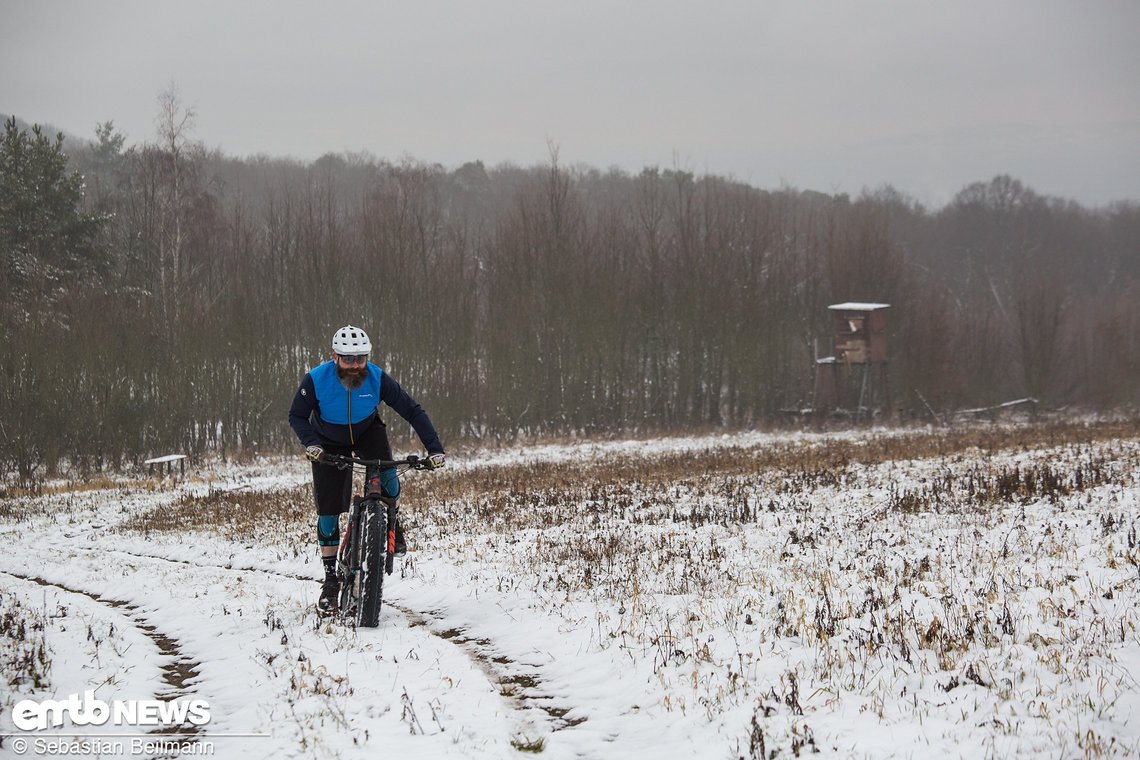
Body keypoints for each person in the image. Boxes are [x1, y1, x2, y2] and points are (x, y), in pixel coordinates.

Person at [289, 325, 446, 613]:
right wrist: (312, 444)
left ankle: (392, 524)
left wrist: (434, 447)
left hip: (366, 432)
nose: (354, 365)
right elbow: (297, 415)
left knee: (389, 478)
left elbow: (411, 409)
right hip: (326, 439)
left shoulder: (376, 377)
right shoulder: (314, 379)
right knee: (328, 510)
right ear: (334, 356)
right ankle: (331, 580)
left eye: (360, 358)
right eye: (348, 359)